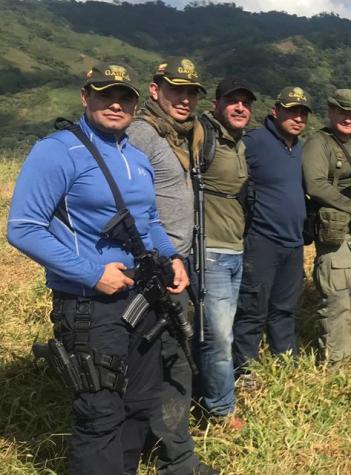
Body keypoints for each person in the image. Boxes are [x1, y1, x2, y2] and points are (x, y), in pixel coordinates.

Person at [7, 63, 213, 474]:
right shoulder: (58, 150)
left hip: (142, 299)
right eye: (105, 95)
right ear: (86, 97)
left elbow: (149, 221)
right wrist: (92, 274)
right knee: (100, 413)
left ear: (136, 104)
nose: (115, 104)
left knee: (138, 404)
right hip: (90, 305)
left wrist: (171, 258)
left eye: (124, 97)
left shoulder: (135, 156)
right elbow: (23, 228)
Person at [128, 58, 237, 456]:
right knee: (163, 351)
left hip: (179, 258)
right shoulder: (142, 133)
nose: (185, 99)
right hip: (153, 262)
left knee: (177, 344)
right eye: (176, 90)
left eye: (191, 92)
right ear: (155, 90)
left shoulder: (182, 134)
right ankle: (165, 442)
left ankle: (169, 431)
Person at [233, 87, 312, 376]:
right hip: (261, 240)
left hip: (293, 242)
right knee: (252, 310)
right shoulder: (254, 141)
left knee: (285, 309)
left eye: (303, 113)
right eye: (292, 111)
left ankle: (286, 365)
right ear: (275, 111)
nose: (298, 118)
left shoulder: (300, 147)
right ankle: (246, 370)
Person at [189, 77, 254, 419]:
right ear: (216, 105)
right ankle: (221, 409)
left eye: (245, 102)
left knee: (212, 331)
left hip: (234, 248)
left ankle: (198, 392)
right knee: (218, 336)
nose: (240, 107)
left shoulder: (237, 142)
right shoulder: (202, 133)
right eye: (232, 101)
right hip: (210, 250)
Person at [301, 89, 351, 365]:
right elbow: (315, 185)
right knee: (336, 299)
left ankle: (344, 349)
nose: (349, 118)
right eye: (343, 112)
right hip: (336, 232)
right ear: (331, 111)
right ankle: (335, 362)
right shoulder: (318, 143)